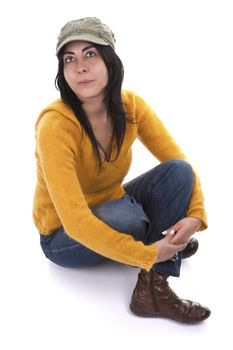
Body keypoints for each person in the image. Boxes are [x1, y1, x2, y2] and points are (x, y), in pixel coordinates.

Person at [32, 17, 211, 323]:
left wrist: (196, 213)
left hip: (115, 202)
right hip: (64, 237)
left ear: (110, 61)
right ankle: (157, 255)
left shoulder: (131, 106)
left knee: (179, 172)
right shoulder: (55, 126)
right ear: (62, 71)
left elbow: (178, 160)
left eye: (90, 54)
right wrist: (149, 254)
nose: (80, 67)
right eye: (69, 59)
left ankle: (150, 288)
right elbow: (75, 223)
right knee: (131, 219)